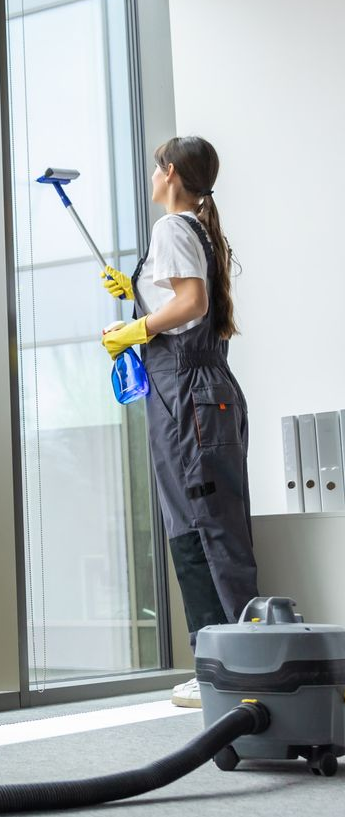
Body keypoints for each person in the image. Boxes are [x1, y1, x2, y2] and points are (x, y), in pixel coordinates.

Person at [99, 136, 255, 709]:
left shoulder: (171, 228)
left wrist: (137, 329)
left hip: (189, 395)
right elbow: (183, 300)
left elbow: (190, 304)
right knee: (196, 527)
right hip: (191, 395)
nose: (151, 174)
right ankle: (221, 665)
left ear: (168, 172)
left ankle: (234, 669)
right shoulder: (193, 228)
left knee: (207, 530)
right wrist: (138, 295)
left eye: (154, 166)